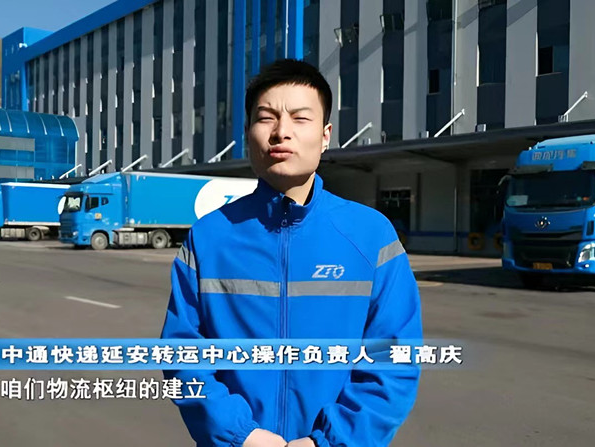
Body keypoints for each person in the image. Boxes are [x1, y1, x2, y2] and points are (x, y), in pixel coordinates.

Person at [160, 59, 423, 447]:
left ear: (325, 135)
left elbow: (395, 358)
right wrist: (240, 435)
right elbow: (181, 353)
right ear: (248, 133)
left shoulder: (371, 236)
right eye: (266, 118)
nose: (281, 132)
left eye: (300, 118)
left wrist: (328, 441)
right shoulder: (209, 237)